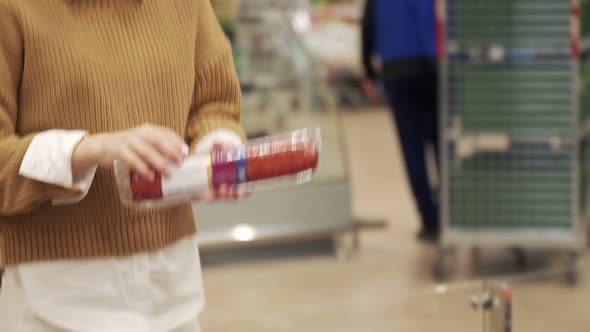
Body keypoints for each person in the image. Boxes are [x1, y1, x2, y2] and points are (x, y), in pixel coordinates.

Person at [0, 0, 246, 331]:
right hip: (54, 302)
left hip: (173, 290)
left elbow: (214, 104)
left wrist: (215, 146)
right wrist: (87, 150)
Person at [362, 0, 440, 241]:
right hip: (433, 65)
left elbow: (368, 28)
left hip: (397, 68)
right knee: (441, 142)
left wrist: (369, 72)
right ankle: (449, 214)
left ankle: (429, 220)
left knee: (412, 148)